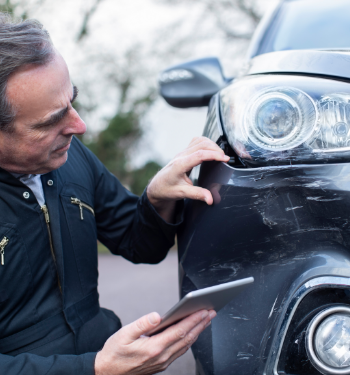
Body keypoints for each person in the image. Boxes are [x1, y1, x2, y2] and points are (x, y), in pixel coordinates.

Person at [0, 14, 229, 375]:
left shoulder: (71, 156)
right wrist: (97, 369)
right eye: (50, 121)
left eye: (72, 101)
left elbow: (142, 245)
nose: (79, 125)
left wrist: (157, 197)